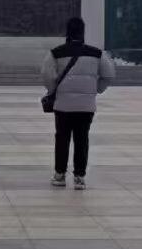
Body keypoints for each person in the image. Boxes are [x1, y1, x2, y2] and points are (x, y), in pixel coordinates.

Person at [40, 16, 115, 189]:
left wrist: (53, 91)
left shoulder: (56, 53)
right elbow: (109, 74)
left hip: (63, 105)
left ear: (67, 32)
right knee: (82, 139)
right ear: (83, 32)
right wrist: (95, 89)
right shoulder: (96, 53)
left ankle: (59, 175)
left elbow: (46, 74)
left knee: (62, 139)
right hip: (86, 106)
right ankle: (79, 177)